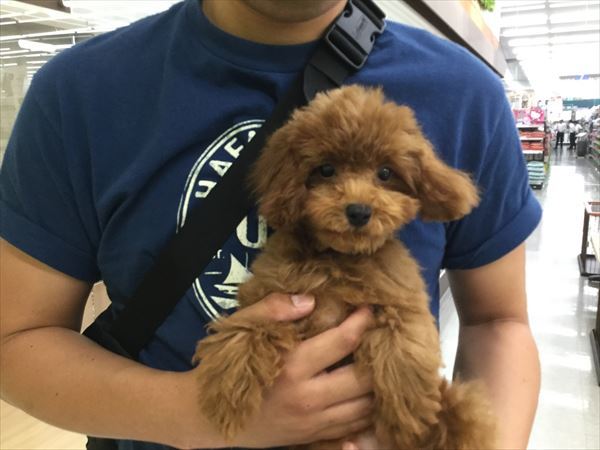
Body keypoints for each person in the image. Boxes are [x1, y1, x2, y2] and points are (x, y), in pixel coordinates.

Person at [0, 1, 541, 449]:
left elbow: (498, 323)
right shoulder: (78, 93)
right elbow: (16, 338)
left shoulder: (466, 95)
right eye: (326, 173)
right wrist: (196, 415)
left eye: (383, 175)